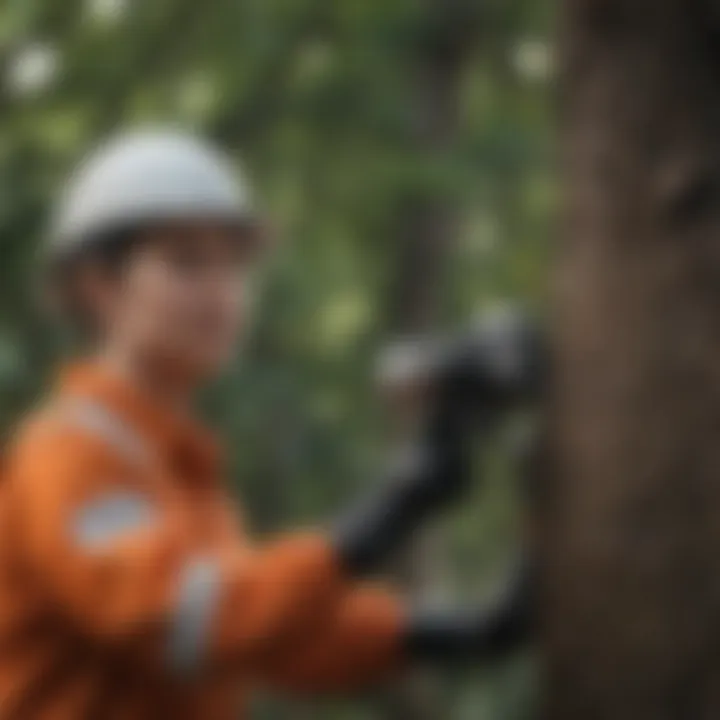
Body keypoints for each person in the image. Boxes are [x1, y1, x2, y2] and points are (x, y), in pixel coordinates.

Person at [0, 129, 533, 719]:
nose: (224, 293)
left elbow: (268, 633)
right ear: (100, 286)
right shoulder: (70, 452)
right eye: (188, 264)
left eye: (235, 266)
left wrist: (453, 633)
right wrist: (388, 512)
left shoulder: (172, 463)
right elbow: (180, 620)